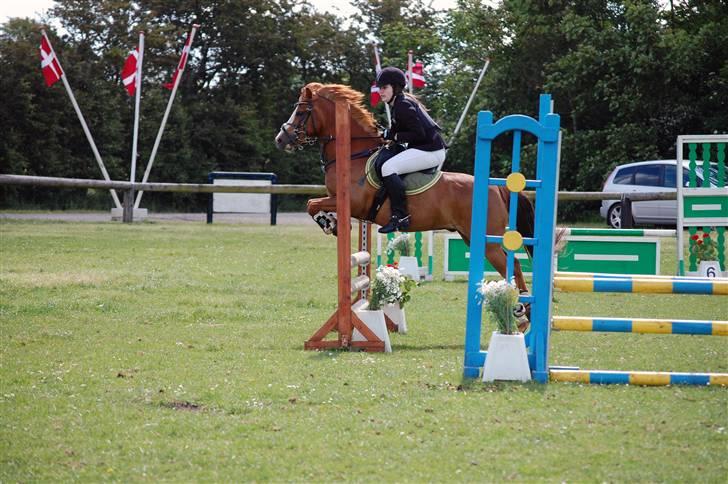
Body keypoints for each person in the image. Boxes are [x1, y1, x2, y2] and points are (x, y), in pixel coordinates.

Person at [375, 66, 447, 234]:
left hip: (431, 151)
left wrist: (394, 137)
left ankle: (400, 216)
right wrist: (385, 134)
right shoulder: (398, 103)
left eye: (384, 87)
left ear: (395, 87)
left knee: (388, 168)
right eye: (380, 87)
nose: (380, 91)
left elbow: (417, 133)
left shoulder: (403, 105)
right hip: (425, 148)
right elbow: (395, 131)